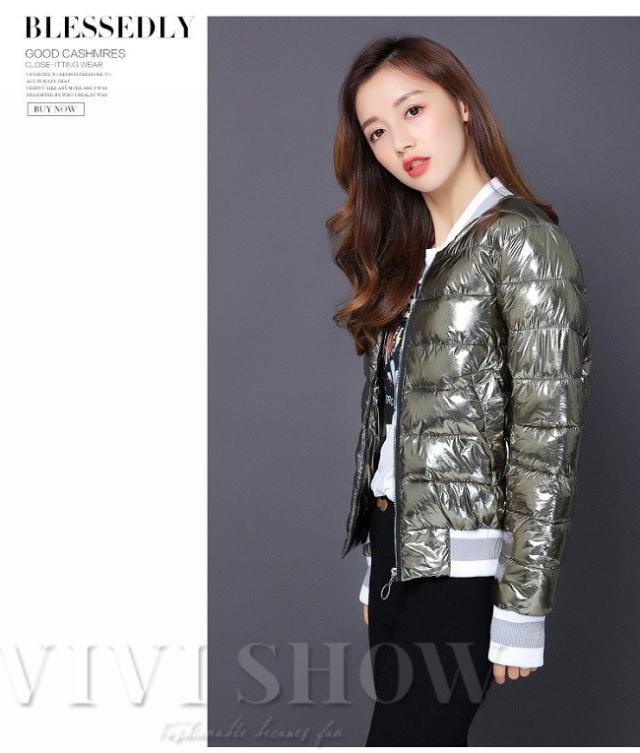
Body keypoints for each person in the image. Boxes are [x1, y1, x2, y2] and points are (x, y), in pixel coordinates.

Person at [327, 35, 592, 746]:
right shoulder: (414, 261)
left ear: (463, 105)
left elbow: (547, 439)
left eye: (413, 110)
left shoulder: (524, 243)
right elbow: (399, 428)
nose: (399, 141)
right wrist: (376, 563)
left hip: (462, 578)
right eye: (377, 131)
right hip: (397, 560)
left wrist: (522, 609)